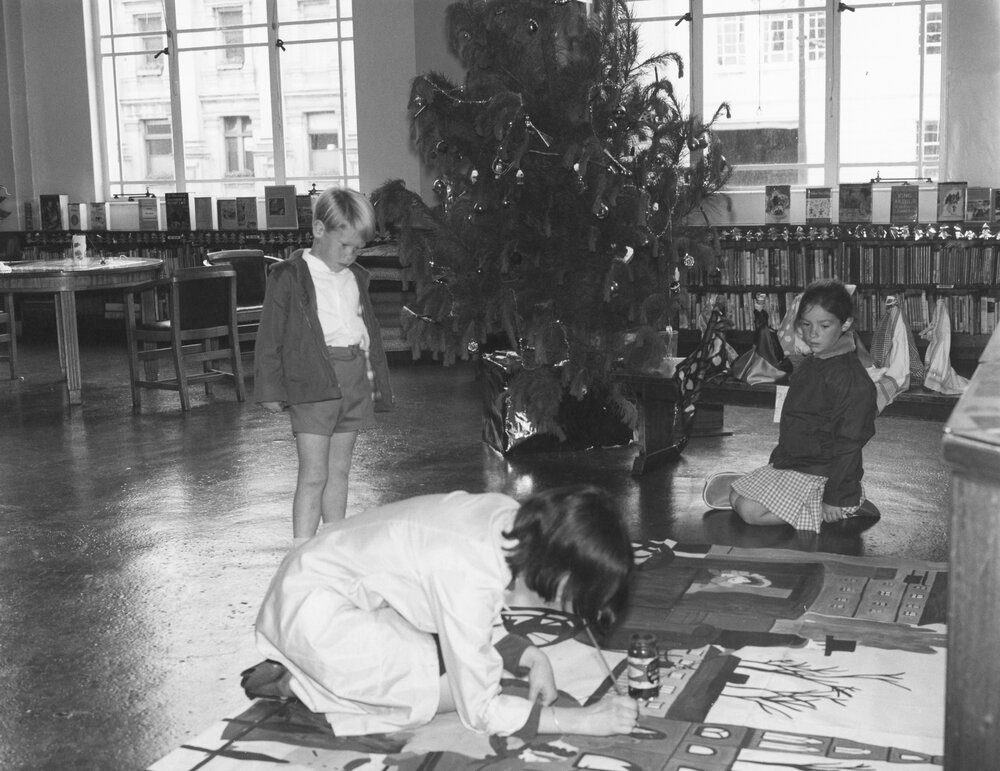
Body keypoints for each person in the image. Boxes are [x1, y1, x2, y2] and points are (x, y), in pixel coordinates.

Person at [240, 485, 639, 738]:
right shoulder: (467, 572)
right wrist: (581, 721)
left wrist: (531, 657)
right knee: (436, 693)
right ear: (561, 572)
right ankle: (301, 682)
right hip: (311, 614)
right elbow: (480, 711)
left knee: (453, 658)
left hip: (326, 586)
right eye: (573, 599)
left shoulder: (508, 518)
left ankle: (309, 674)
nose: (565, 607)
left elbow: (474, 612)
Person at [254, 187, 393, 544]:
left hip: (354, 377)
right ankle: (301, 551)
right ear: (319, 230)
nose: (350, 255)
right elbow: (270, 335)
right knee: (314, 474)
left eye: (357, 249)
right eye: (343, 245)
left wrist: (375, 378)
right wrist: (269, 388)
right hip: (313, 382)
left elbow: (367, 328)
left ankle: (333, 544)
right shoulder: (289, 276)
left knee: (340, 470)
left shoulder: (356, 277)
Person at [702, 278, 878, 532]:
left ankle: (848, 506)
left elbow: (849, 444)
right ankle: (775, 493)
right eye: (806, 325)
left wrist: (835, 496)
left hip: (823, 472)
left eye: (824, 325)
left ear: (846, 323)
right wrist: (778, 462)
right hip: (794, 462)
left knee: (749, 512)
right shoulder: (814, 362)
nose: (812, 334)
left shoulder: (851, 380)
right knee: (735, 498)